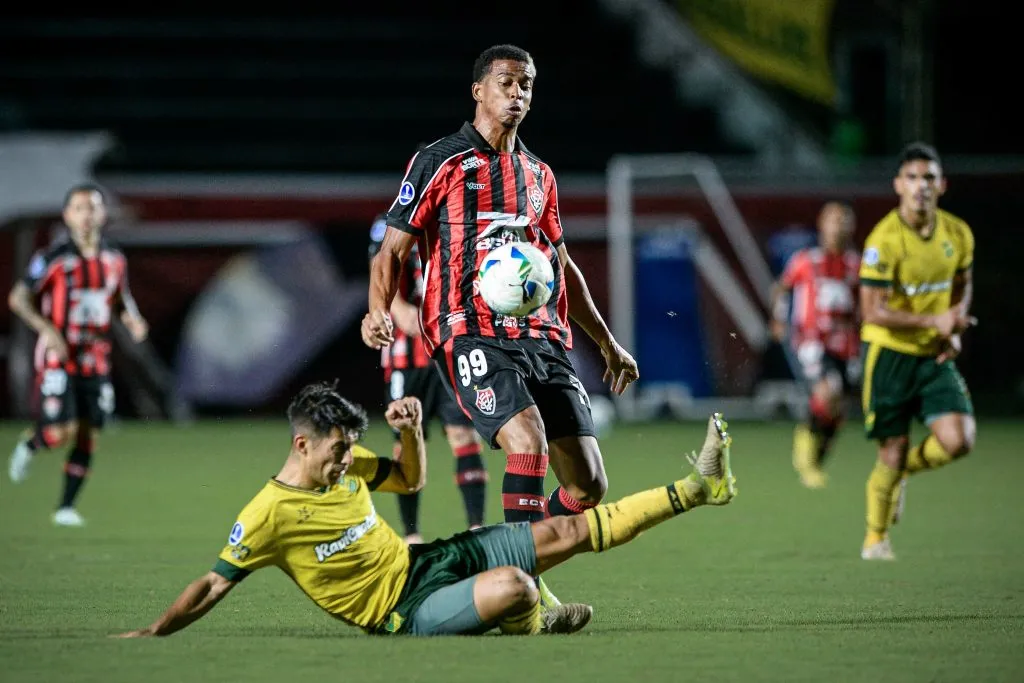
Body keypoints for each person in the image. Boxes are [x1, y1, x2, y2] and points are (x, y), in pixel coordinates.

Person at [112, 381, 736, 638]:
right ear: (301, 445)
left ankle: (700, 487)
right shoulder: (267, 515)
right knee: (519, 586)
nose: (345, 460)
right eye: (336, 450)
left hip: (428, 561)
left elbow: (410, 478)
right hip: (401, 610)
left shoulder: (349, 467)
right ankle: (535, 624)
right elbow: (213, 585)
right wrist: (154, 631)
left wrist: (410, 433)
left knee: (568, 527)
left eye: (349, 449)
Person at [362, 44, 640, 609]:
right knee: (526, 439)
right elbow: (390, 251)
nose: (518, 94)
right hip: (465, 328)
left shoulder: (539, 175)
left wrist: (607, 343)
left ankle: (500, 552)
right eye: (507, 83)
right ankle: (523, 591)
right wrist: (378, 309)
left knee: (588, 485)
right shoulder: (439, 161)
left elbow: (562, 269)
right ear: (479, 91)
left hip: (540, 336)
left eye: (527, 85)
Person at [858, 142, 977, 560]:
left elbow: (962, 285)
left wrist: (955, 327)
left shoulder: (958, 233)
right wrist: (934, 322)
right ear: (897, 185)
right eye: (912, 178)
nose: (920, 186)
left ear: (941, 185)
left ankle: (903, 470)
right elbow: (871, 311)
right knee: (889, 448)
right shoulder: (884, 241)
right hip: (889, 355)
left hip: (933, 355)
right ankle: (876, 540)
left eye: (928, 178)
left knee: (959, 440)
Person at [7, 184, 149, 526]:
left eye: (92, 208)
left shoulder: (114, 258)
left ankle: (65, 508)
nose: (86, 215)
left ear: (102, 214)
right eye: (79, 208)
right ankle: (30, 444)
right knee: (62, 431)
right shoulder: (53, 257)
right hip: (59, 354)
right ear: (68, 215)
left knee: (90, 432)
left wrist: (133, 319)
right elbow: (18, 298)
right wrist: (47, 329)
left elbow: (118, 297)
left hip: (96, 356)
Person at [368, 213, 489, 544]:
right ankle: (412, 537)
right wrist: (402, 311)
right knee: (406, 441)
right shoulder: (392, 225)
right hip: (406, 361)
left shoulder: (457, 222)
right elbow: (385, 280)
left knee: (464, 435)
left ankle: (477, 530)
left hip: (449, 354)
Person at [770, 201, 860, 488]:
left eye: (844, 220)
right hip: (811, 340)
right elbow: (781, 288)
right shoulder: (806, 260)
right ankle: (804, 459)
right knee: (827, 393)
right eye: (834, 220)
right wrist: (779, 318)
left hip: (846, 344)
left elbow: (866, 302)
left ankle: (816, 459)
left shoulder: (857, 264)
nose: (839, 226)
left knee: (839, 409)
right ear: (822, 225)